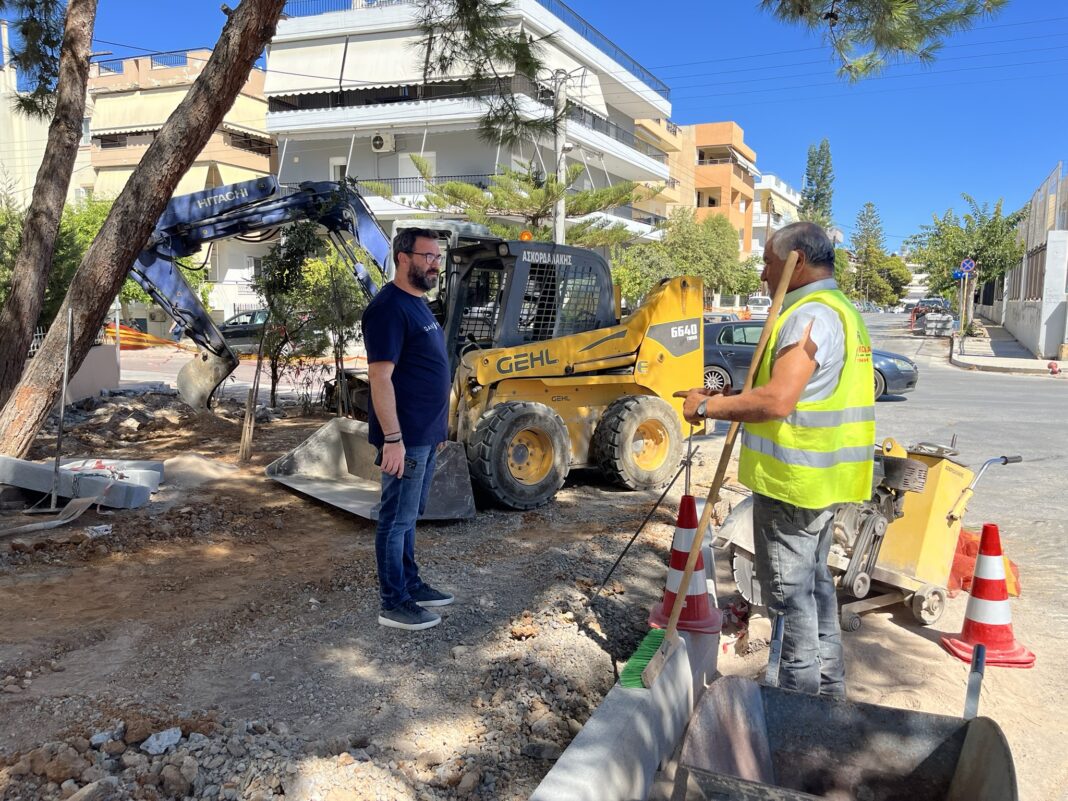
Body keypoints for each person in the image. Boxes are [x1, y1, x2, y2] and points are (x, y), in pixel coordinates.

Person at [674, 222, 875, 696]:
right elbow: (790, 393)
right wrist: (731, 397)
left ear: (796, 262)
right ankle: (829, 696)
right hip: (824, 485)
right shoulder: (841, 310)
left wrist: (706, 407)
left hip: (793, 485)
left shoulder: (809, 316)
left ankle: (796, 709)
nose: (763, 274)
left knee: (790, 603)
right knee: (816, 588)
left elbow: (778, 401)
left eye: (768, 262)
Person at [362, 227, 454, 631]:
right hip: (405, 438)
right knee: (395, 519)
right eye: (428, 256)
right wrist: (393, 440)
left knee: (409, 516)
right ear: (403, 257)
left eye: (438, 257)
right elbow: (380, 378)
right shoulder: (388, 308)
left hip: (424, 434)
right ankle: (393, 602)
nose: (436, 264)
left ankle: (411, 584)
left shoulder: (418, 303)